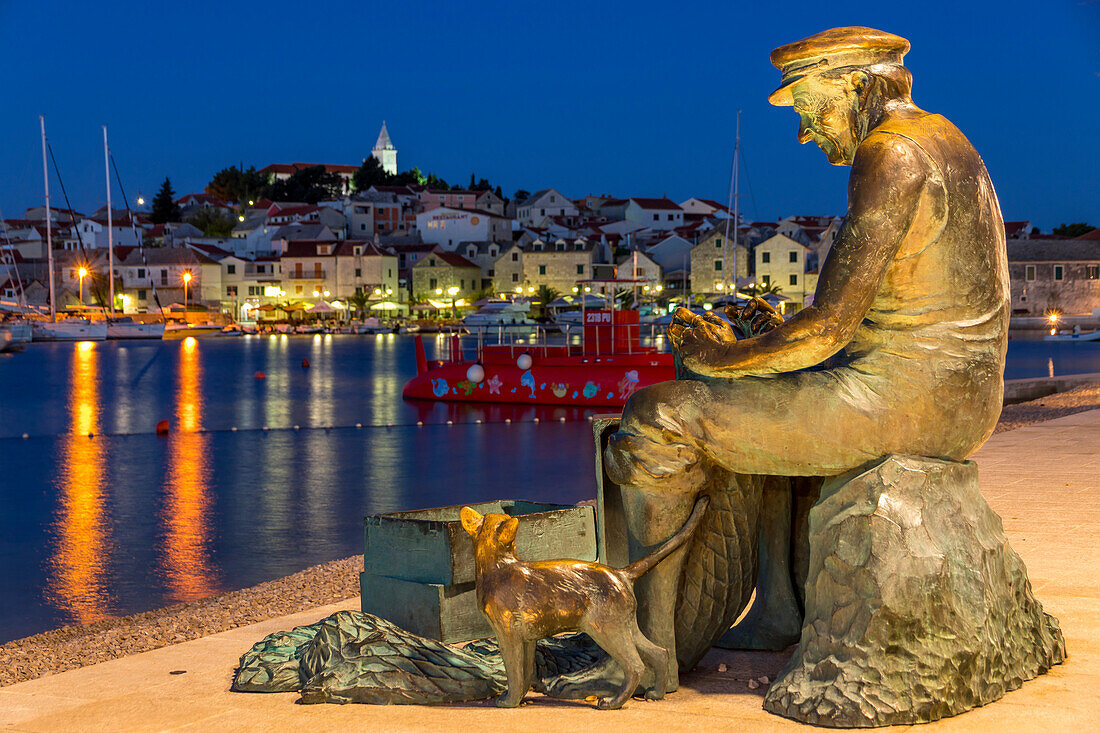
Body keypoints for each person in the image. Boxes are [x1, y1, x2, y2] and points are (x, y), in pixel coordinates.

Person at [601, 26, 1011, 693]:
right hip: (959, 395)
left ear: (855, 85)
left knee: (656, 414)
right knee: (776, 381)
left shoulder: (890, 156)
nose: (804, 132)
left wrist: (719, 353)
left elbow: (827, 329)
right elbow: (893, 311)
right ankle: (781, 608)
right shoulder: (947, 139)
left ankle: (650, 650)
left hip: (907, 400)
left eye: (807, 109)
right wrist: (772, 340)